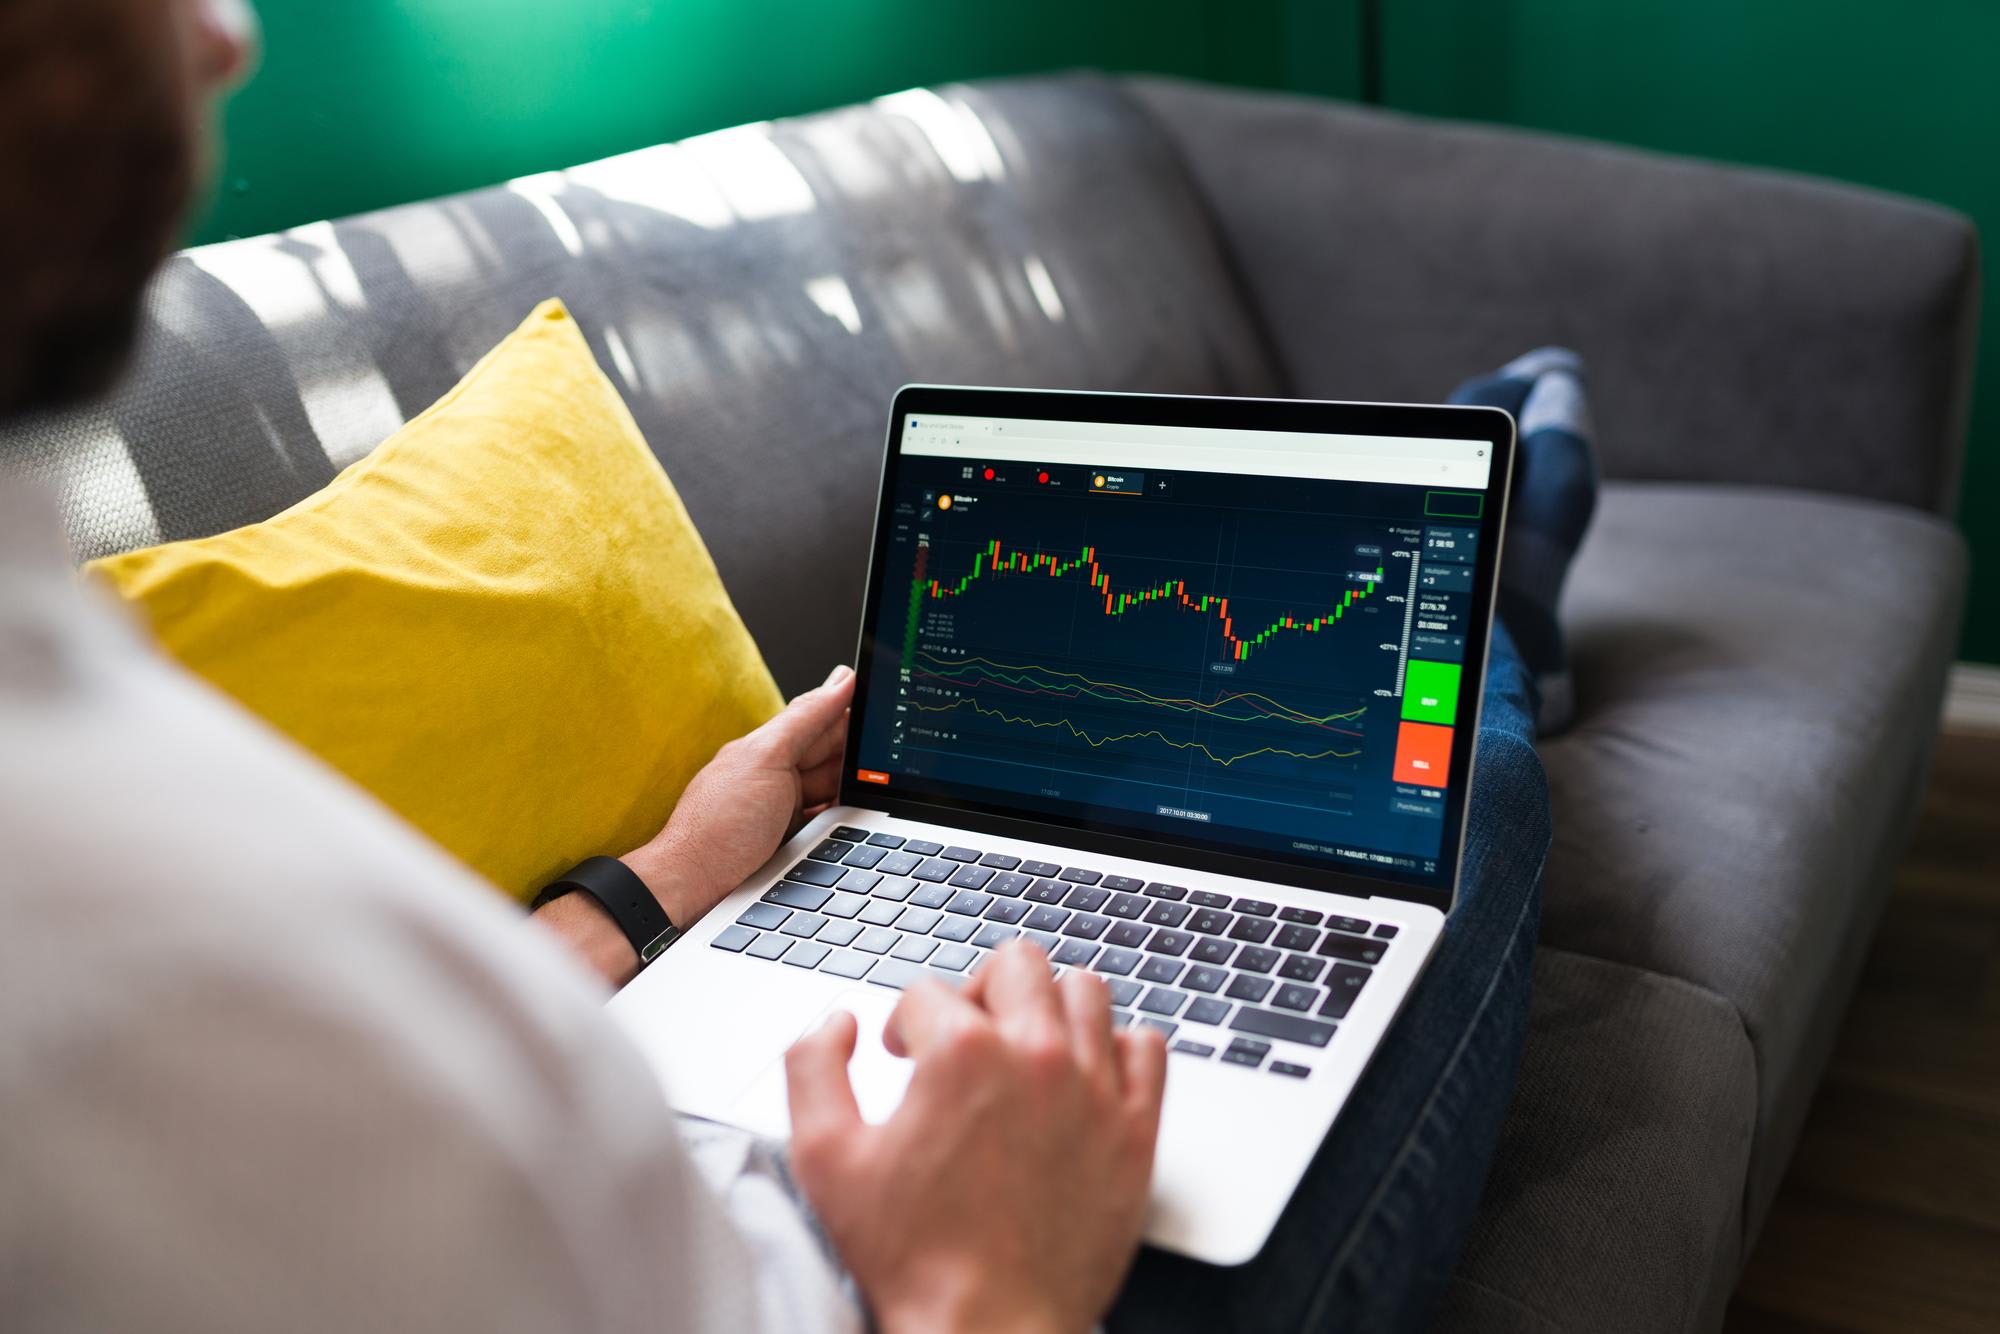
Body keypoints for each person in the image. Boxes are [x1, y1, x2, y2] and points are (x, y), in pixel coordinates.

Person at [0, 3, 1593, 1330]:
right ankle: (1507, 564)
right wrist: (987, 1286)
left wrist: (664, 878)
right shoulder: (99, 914)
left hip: (782, 1138)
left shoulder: (85, 713)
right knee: (1482, 794)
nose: (226, 31)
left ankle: (1497, 526)